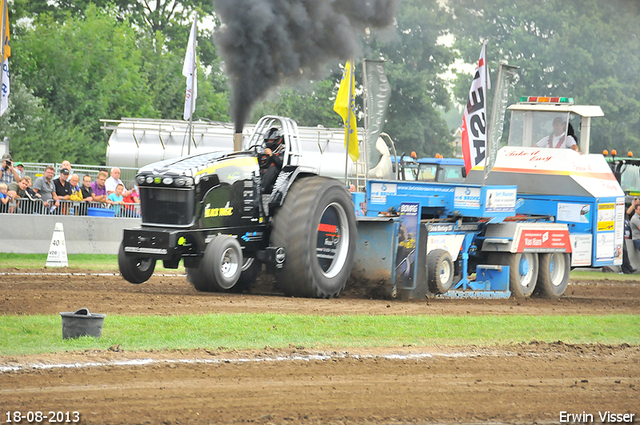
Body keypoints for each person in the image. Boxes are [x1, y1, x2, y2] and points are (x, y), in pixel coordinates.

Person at [259, 128, 284, 193]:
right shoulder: (263, 149)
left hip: (277, 178)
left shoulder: (282, 150)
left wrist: (271, 155)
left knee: (273, 166)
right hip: (263, 174)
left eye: (271, 140)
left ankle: (262, 188)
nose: (269, 142)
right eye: (268, 140)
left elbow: (281, 163)